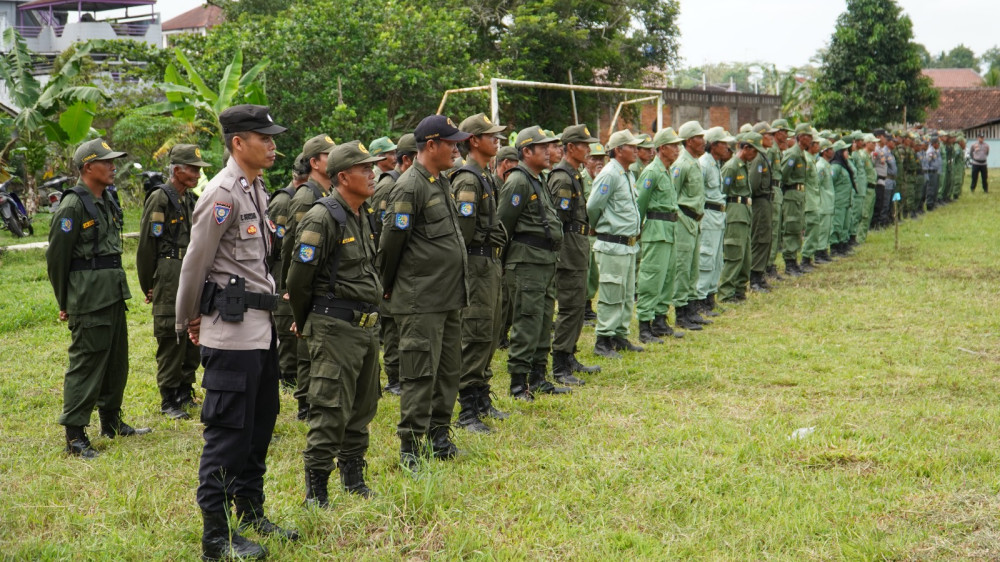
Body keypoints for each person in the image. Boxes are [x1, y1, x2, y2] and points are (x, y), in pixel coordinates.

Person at [175, 105, 297, 560]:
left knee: (258, 429)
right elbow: (195, 263)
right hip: (231, 335)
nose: (272, 144)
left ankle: (250, 512)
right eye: (262, 137)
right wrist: (186, 318)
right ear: (237, 143)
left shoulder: (256, 188)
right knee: (228, 436)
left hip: (261, 333)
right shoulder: (222, 192)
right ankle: (216, 538)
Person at [286, 141, 384, 506]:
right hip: (334, 327)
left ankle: (353, 476)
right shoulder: (321, 217)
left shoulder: (363, 213)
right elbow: (298, 281)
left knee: (362, 406)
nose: (372, 174)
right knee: (330, 408)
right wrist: (304, 322)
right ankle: (317, 490)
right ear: (344, 177)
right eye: (365, 169)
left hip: (365, 327)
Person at [47, 138, 150, 459]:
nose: (113, 166)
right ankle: (75, 435)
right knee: (87, 364)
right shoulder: (72, 206)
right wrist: (65, 302)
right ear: (88, 167)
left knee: (117, 362)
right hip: (88, 299)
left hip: (113, 295)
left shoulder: (107, 200)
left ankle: (111, 421)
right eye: (106, 162)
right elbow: (57, 260)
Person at [379, 115, 470, 471]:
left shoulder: (438, 182)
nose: (456, 149)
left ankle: (439, 437)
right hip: (421, 299)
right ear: (431, 146)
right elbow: (391, 245)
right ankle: (411, 447)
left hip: (447, 297)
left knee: (448, 371)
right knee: (419, 374)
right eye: (451, 143)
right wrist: (388, 287)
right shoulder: (409, 187)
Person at [137, 143, 210, 420]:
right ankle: (169, 397)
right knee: (171, 334)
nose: (196, 174)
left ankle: (185, 390)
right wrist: (149, 285)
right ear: (177, 170)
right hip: (168, 273)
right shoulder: (161, 198)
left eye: (197, 169)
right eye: (192, 169)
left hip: (189, 271)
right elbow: (147, 246)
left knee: (192, 332)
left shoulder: (190, 199)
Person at [496, 126, 570, 398]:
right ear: (527, 151)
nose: (550, 152)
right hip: (526, 263)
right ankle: (518, 384)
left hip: (545, 261)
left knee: (541, 321)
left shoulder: (537, 179)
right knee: (527, 322)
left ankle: (538, 377)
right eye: (543, 147)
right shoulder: (518, 181)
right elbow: (503, 225)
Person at [450, 113, 510, 433]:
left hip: (489, 264)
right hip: (475, 264)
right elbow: (463, 231)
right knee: (475, 333)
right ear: (474, 141)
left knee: (489, 331)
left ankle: (481, 395)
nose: (496, 139)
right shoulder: (468, 179)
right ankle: (467, 410)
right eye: (490, 135)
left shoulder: (484, 176)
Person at [284, 134, 336, 420]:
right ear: (315, 162)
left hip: (321, 279)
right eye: (329, 154)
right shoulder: (307, 196)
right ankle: (305, 402)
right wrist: (291, 288)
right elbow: (295, 247)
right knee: (305, 342)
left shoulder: (326, 193)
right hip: (306, 279)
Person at [549, 124, 601, 383]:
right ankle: (559, 364)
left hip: (578, 247)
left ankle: (569, 354)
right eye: (584, 144)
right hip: (568, 251)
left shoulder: (574, 175)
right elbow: (557, 221)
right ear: (571, 147)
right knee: (570, 307)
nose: (589, 149)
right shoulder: (562, 177)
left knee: (578, 306)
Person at [587, 129, 644, 355]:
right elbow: (593, 206)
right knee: (611, 293)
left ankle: (619, 335)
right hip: (612, 243)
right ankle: (603, 340)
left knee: (626, 293)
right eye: (632, 147)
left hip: (628, 245)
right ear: (619, 150)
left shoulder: (627, 174)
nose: (637, 150)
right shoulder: (610, 173)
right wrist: (599, 226)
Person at [371, 133, 416, 396]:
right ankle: (394, 378)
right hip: (387, 260)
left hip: (401, 260)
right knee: (390, 322)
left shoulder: (404, 183)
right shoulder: (389, 185)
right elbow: (380, 228)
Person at [635, 127, 685, 342]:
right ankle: (645, 325)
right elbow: (640, 204)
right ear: (662, 148)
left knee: (667, 277)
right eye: (674, 145)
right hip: (656, 230)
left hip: (669, 229)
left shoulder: (667, 171)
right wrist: (637, 229)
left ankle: (660, 319)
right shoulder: (652, 172)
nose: (677, 149)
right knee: (652, 276)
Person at [268, 153, 308, 393]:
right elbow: (275, 244)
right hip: (282, 268)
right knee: (285, 323)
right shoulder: (284, 201)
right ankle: (287, 375)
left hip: (296, 267)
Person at [670, 121, 711, 331]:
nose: (703, 142)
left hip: (695, 220)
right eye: (699, 138)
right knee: (682, 268)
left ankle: (692, 309)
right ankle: (681, 312)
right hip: (684, 220)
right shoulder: (681, 164)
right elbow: (672, 196)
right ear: (689, 141)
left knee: (694, 267)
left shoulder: (695, 162)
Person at [717, 133, 764, 302]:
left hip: (744, 213)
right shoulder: (732, 167)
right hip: (735, 214)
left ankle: (739, 289)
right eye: (754, 151)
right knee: (734, 254)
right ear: (746, 148)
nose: (756, 155)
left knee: (745, 256)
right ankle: (726, 292)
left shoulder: (743, 165)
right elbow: (722, 192)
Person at [696, 127, 734, 315]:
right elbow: (698, 193)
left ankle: (710, 295)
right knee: (706, 257)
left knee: (717, 258)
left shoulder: (715, 164)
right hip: (708, 214)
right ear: (714, 145)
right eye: (724, 143)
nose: (727, 147)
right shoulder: (704, 163)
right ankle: (700, 298)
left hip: (718, 215)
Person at [780, 123, 814, 276]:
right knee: (791, 227)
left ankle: (794, 259)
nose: (811, 139)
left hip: (799, 195)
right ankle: (789, 262)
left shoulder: (800, 154)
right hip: (791, 195)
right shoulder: (793, 154)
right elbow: (783, 176)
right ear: (800, 137)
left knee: (798, 227)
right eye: (808, 136)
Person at [748, 122, 776, 292]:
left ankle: (760, 273)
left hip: (766, 201)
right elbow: (753, 184)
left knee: (766, 237)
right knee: (759, 237)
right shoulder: (758, 157)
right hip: (759, 201)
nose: (771, 138)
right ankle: (754, 277)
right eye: (768, 135)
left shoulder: (763, 155)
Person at [583, 142, 607, 324]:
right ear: (586, 161)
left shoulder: (604, 179)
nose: (599, 162)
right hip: (585, 234)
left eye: (601, 158)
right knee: (586, 271)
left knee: (595, 274)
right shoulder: (581, 179)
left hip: (600, 234)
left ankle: (589, 304)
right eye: (594, 158)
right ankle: (583, 308)